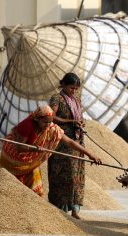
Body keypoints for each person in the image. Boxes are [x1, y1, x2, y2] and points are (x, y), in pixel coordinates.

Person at [0, 105, 101, 199]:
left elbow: (70, 142)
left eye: (50, 122)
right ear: (37, 119)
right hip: (13, 159)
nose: (48, 125)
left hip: (29, 162)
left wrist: (90, 154)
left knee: (35, 188)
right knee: (11, 187)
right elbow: (19, 147)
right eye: (45, 122)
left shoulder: (52, 128)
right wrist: (34, 149)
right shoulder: (27, 125)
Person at [48, 72, 87, 220]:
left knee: (77, 176)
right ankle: (60, 209)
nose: (74, 91)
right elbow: (51, 117)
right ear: (63, 85)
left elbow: (80, 117)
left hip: (77, 142)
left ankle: (75, 209)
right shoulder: (57, 98)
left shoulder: (76, 100)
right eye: (71, 88)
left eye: (76, 89)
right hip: (63, 144)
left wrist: (81, 123)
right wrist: (69, 122)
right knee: (64, 176)